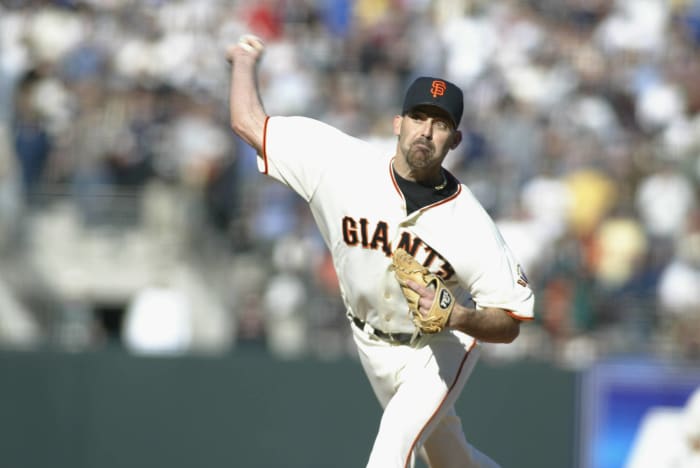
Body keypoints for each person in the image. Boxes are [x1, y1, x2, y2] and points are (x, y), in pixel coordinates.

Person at [226, 34, 535, 468]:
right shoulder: (340, 166)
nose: (426, 131)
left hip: (440, 345)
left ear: (456, 140)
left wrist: (460, 316)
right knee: (450, 460)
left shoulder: (470, 224)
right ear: (398, 122)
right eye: (418, 117)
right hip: (369, 339)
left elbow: (511, 321)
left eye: (440, 123)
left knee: (391, 453)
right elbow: (248, 122)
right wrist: (243, 59)